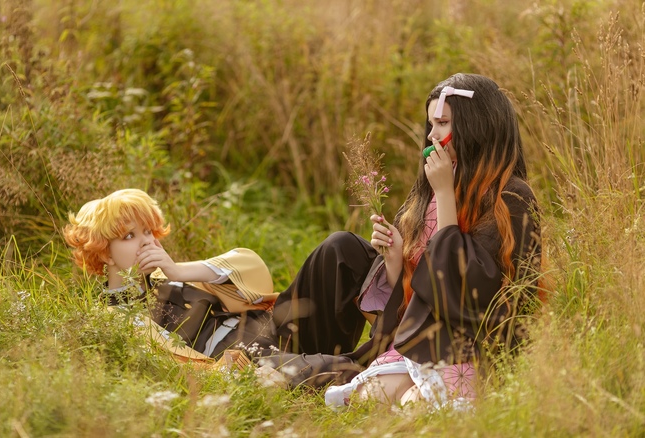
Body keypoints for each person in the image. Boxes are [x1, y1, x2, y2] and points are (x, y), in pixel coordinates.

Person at [259, 73, 542, 407]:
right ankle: (274, 351)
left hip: (460, 342)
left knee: (377, 399)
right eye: (430, 125)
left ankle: (287, 369)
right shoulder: (435, 184)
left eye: (442, 124)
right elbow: (415, 291)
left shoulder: (510, 198)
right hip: (413, 330)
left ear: (476, 126)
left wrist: (444, 195)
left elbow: (463, 292)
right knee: (339, 248)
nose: (432, 135)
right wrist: (395, 259)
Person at [63, 188, 282, 361]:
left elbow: (252, 269)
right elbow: (181, 363)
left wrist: (178, 271)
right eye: (129, 236)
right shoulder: (114, 316)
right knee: (302, 363)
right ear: (105, 253)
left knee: (308, 272)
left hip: (275, 322)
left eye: (148, 231)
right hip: (246, 352)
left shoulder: (168, 274)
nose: (147, 241)